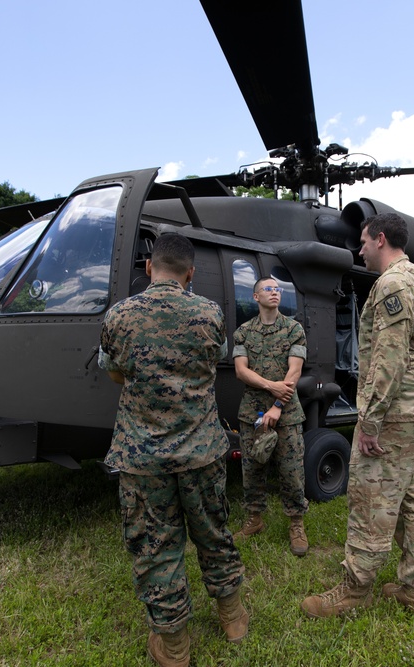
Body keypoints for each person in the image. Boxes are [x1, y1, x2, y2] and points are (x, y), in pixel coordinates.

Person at [99, 233, 247, 667]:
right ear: (191, 273)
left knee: (156, 548)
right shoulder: (210, 313)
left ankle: (175, 647)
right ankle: (233, 618)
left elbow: (114, 374)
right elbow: (211, 363)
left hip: (143, 458)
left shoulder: (120, 315)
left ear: (149, 268)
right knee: (214, 533)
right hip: (201, 451)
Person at [300, 212, 414, 622]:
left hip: (397, 407)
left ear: (380, 239)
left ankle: (354, 589)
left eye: (362, 242)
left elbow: (389, 357)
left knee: (371, 497)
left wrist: (371, 419)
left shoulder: (393, 282)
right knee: (412, 497)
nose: (358, 250)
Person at [233, 277, 309, 556]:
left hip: (286, 412)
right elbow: (241, 370)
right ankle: (254, 519)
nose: (274, 292)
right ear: (255, 297)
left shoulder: (293, 329)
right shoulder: (243, 332)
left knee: (291, 471)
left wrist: (278, 403)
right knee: (252, 469)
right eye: (268, 289)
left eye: (277, 289)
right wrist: (269, 385)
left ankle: (296, 524)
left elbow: (295, 371)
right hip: (252, 411)